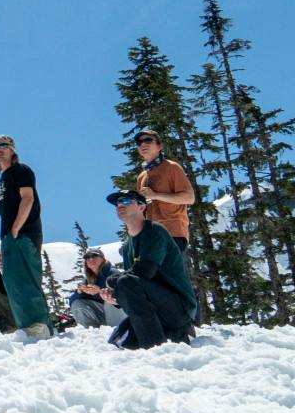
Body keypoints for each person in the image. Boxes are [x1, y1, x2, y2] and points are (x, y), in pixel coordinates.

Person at [101, 191, 198, 349]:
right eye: (118, 203)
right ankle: (170, 336)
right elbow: (135, 285)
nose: (120, 205)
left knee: (125, 281)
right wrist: (115, 298)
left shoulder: (154, 231)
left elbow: (144, 272)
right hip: (154, 309)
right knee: (119, 342)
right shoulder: (127, 247)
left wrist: (112, 280)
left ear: (142, 207)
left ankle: (154, 348)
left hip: (178, 310)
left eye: (127, 201)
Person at [0, 133, 53, 342]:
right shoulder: (0, 182)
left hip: (25, 233)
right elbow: (4, 213)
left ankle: (39, 325)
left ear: (12, 149)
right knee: (13, 281)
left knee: (25, 279)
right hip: (9, 237)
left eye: (3, 145)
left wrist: (17, 228)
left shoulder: (21, 171)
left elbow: (28, 198)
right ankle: (28, 326)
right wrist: (4, 245)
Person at [133, 126, 196, 271]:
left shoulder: (172, 167)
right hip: (151, 235)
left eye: (148, 140)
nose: (143, 144)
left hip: (173, 233)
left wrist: (156, 195)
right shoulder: (142, 177)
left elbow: (189, 198)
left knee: (166, 274)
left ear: (160, 146)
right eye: (139, 142)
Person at [67, 247, 126, 328]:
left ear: (102, 258)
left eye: (94, 256)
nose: (91, 259)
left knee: (107, 297)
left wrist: (99, 291)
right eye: (87, 257)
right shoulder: (88, 279)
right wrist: (80, 292)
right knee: (77, 303)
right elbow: (71, 300)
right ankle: (91, 332)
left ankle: (119, 330)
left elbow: (123, 295)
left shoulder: (112, 273)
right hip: (103, 315)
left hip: (121, 315)